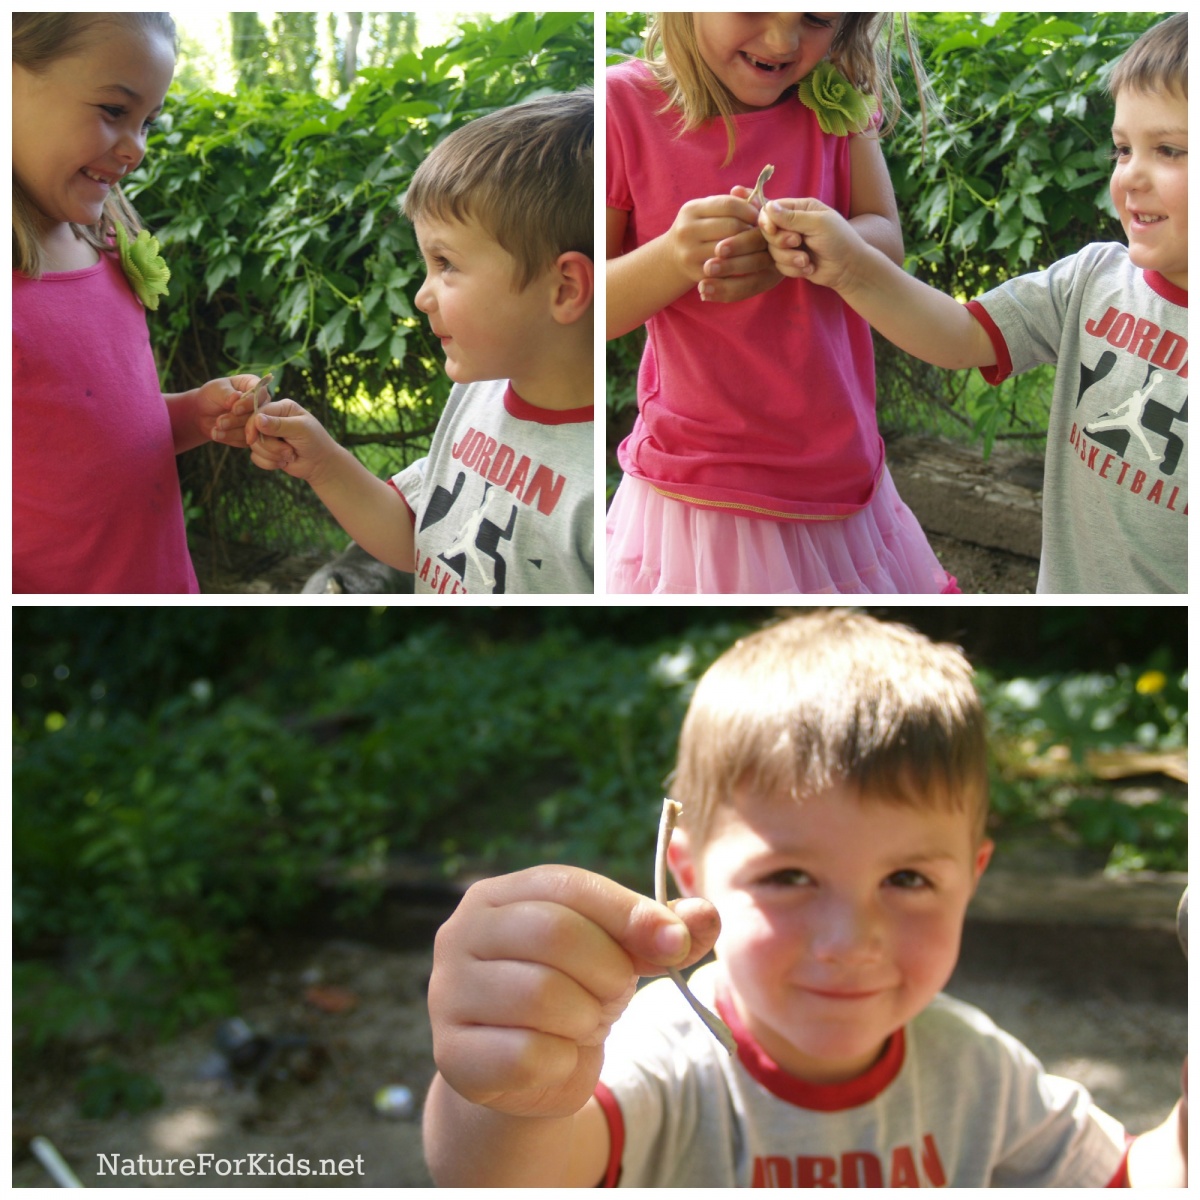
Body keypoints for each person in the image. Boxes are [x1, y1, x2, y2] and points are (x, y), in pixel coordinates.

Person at [423, 611, 1188, 1187]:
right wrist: (508, 1095)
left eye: (908, 880)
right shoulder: (658, 1060)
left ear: (972, 874)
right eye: (789, 877)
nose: (850, 939)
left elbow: (1141, 1177)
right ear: (687, 873)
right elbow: (504, 1175)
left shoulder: (980, 1073)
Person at [759, 14, 1187, 594]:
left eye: (1167, 150)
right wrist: (850, 267)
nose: (1131, 175)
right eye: (1121, 149)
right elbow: (960, 335)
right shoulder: (1091, 279)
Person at [606, 13, 957, 594]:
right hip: (699, 489)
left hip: (836, 467)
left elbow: (884, 238)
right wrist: (672, 258)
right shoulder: (625, 107)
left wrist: (823, 247)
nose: (782, 42)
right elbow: (593, 313)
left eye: (816, 18)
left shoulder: (834, 95)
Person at [245, 90, 594, 595]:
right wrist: (324, 463)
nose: (421, 296)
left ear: (564, 289)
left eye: (445, 264)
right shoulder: (476, 396)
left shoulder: (599, 490)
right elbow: (417, 538)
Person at [12, 12, 260, 594]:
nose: (136, 148)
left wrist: (192, 413)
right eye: (114, 111)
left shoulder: (101, 241)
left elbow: (82, 442)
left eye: (149, 121)